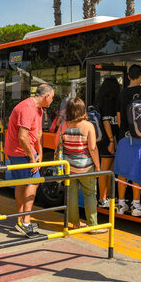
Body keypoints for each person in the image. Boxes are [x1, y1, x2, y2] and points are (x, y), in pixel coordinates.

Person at [4, 84, 54, 238]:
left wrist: (39, 151)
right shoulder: (27, 108)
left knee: (22, 183)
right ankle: (26, 222)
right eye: (52, 98)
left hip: (22, 151)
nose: (52, 101)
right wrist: (32, 158)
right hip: (20, 152)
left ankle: (20, 219)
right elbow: (22, 137)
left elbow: (37, 133)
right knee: (34, 181)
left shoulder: (38, 109)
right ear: (46, 97)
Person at [56, 97, 106, 234]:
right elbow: (93, 148)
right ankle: (92, 225)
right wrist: (97, 166)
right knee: (90, 194)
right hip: (86, 166)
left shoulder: (63, 126)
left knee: (71, 194)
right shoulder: (88, 126)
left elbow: (57, 145)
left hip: (69, 167)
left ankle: (75, 224)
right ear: (82, 110)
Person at [113, 65, 141, 217]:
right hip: (140, 138)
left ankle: (121, 204)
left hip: (124, 137)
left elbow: (119, 119)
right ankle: (137, 205)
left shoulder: (122, 93)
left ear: (129, 77)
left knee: (122, 172)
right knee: (138, 171)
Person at [95, 77, 121, 208]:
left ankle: (110, 197)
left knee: (110, 169)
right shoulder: (109, 102)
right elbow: (106, 121)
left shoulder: (104, 101)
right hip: (108, 140)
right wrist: (111, 140)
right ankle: (102, 198)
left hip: (110, 139)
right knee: (105, 169)